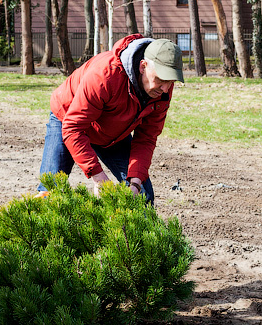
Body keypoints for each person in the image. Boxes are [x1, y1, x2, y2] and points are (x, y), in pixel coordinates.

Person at [37, 35, 184, 204]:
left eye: (171, 81)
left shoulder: (161, 92)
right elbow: (73, 128)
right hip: (68, 119)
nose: (166, 88)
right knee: (50, 192)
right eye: (161, 79)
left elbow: (146, 138)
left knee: (142, 195)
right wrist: (98, 178)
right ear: (143, 66)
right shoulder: (105, 75)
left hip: (112, 132)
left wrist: (135, 183)